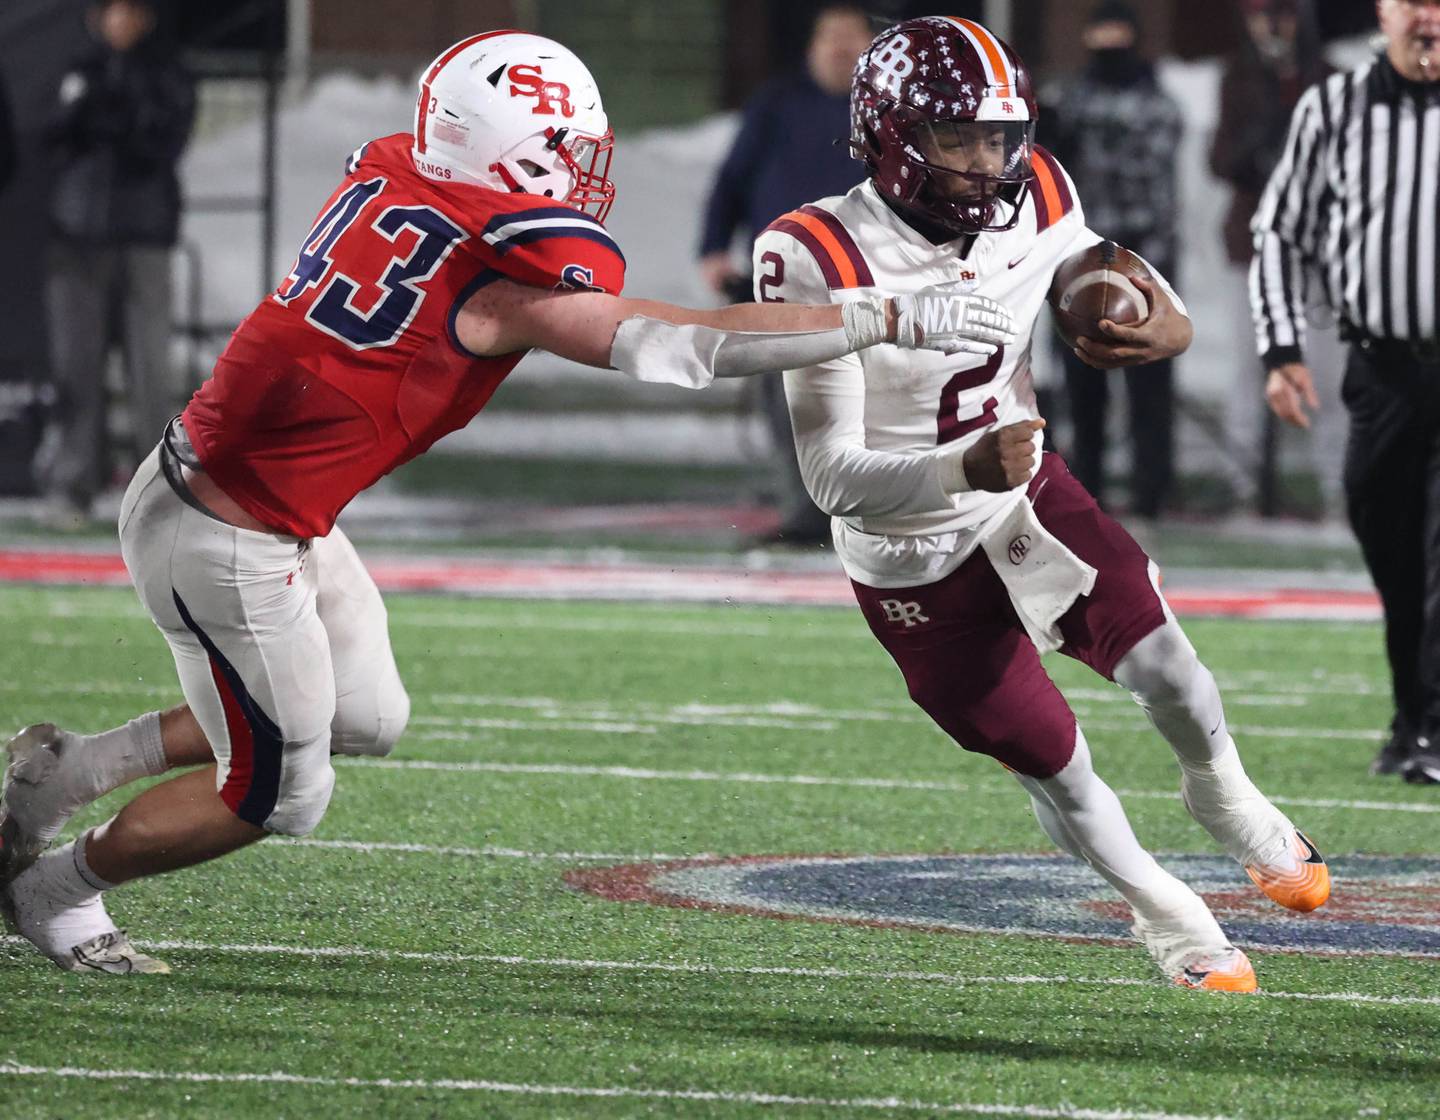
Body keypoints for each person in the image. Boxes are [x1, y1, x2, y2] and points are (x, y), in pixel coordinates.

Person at [0, 29, 1012, 974]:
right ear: (509, 151)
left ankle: (68, 769)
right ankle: (53, 889)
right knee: (281, 790)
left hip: (264, 504)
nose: (581, 172)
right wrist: (880, 316)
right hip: (222, 534)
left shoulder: (407, 173)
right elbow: (685, 344)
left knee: (365, 714)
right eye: (564, 150)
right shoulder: (498, 281)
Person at [755, 16, 1331, 991]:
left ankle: (1225, 795)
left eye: (1001, 137)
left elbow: (1094, 270)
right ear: (891, 136)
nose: (989, 164)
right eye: (957, 139)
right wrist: (959, 469)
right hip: (908, 550)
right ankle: (1165, 911)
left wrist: (1149, 316)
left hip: (1022, 494)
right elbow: (831, 478)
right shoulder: (814, 252)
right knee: (1052, 761)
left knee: (1172, 669)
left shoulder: (1040, 188)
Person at [1251, 0, 1440, 781]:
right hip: (1382, 370)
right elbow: (1280, 230)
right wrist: (1281, 348)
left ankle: (1429, 727)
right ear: (1383, 13)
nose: (1427, 17)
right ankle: (1413, 719)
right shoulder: (1334, 106)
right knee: (1393, 548)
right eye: (1412, 1)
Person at [698, 4, 875, 545]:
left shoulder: (887, 109)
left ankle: (872, 510)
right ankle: (806, 513)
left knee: (875, 398)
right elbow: (732, 179)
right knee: (788, 400)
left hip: (868, 278)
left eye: (852, 41)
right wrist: (712, 248)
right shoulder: (776, 104)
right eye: (832, 40)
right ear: (811, 48)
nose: (841, 51)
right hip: (784, 279)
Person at [36, 0, 195, 527]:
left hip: (145, 236)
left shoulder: (166, 73)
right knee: (76, 368)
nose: (120, 23)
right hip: (77, 235)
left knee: (150, 370)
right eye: (112, 12)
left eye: (131, 12)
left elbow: (164, 143)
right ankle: (72, 485)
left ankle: (159, 493)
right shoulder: (77, 68)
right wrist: (87, 111)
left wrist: (126, 112)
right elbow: (51, 139)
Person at [1039, 1, 1182, 519]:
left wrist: (1075, 134)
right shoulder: (1073, 95)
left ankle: (1152, 488)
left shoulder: (1157, 101)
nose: (1109, 47)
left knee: (1147, 377)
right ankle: (1089, 482)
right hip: (1082, 254)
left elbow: (1141, 155)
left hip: (1144, 254)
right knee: (1082, 377)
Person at [1212, 0, 1344, 516]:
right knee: (1250, 368)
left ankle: (1338, 488)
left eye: (1283, 14)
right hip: (1253, 245)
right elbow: (1221, 161)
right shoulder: (1240, 76)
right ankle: (1243, 485)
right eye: (1262, 14)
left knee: (1328, 377)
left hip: (1318, 250)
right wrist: (1262, 133)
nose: (1271, 26)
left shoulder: (1328, 77)